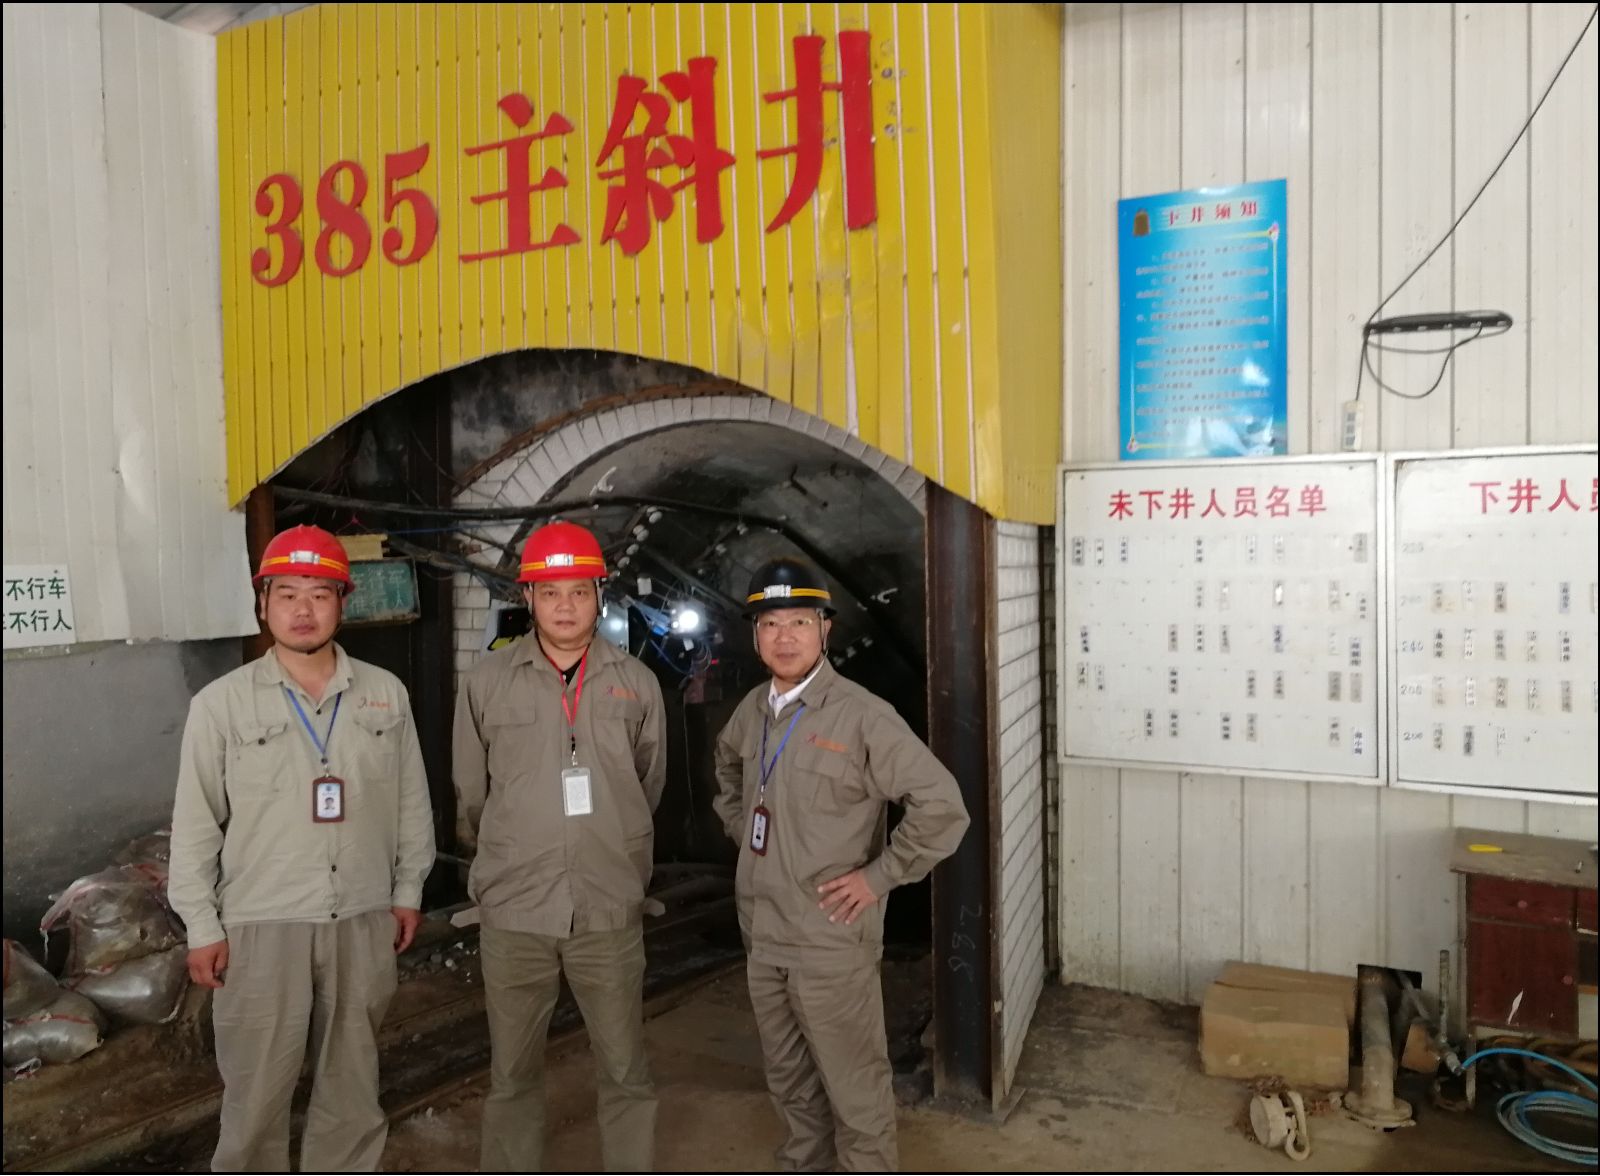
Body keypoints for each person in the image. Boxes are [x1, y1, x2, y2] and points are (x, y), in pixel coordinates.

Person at [168, 524, 436, 1173]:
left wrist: (407, 890)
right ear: (263, 602)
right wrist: (201, 925)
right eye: (287, 594)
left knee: (353, 1085)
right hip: (262, 923)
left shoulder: (385, 694)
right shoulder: (220, 705)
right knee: (257, 1095)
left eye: (320, 594)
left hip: (363, 915)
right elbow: (196, 823)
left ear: (344, 602)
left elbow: (411, 800)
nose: (303, 610)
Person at [713, 557, 970, 1173]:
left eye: (799, 622)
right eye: (770, 624)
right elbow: (727, 772)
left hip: (828, 940)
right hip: (763, 934)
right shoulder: (752, 710)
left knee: (855, 1089)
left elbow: (943, 808)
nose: (785, 637)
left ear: (825, 629)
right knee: (789, 1082)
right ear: (755, 635)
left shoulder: (862, 715)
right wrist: (747, 838)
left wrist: (878, 877)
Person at [454, 520, 667, 1172]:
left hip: (606, 906)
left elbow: (647, 783)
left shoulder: (636, 682)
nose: (565, 606)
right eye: (550, 593)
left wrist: (609, 844)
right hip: (516, 909)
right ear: (528, 598)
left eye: (579, 591)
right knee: (512, 1075)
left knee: (625, 1070)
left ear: (599, 594)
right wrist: (516, 845)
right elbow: (471, 794)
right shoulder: (487, 681)